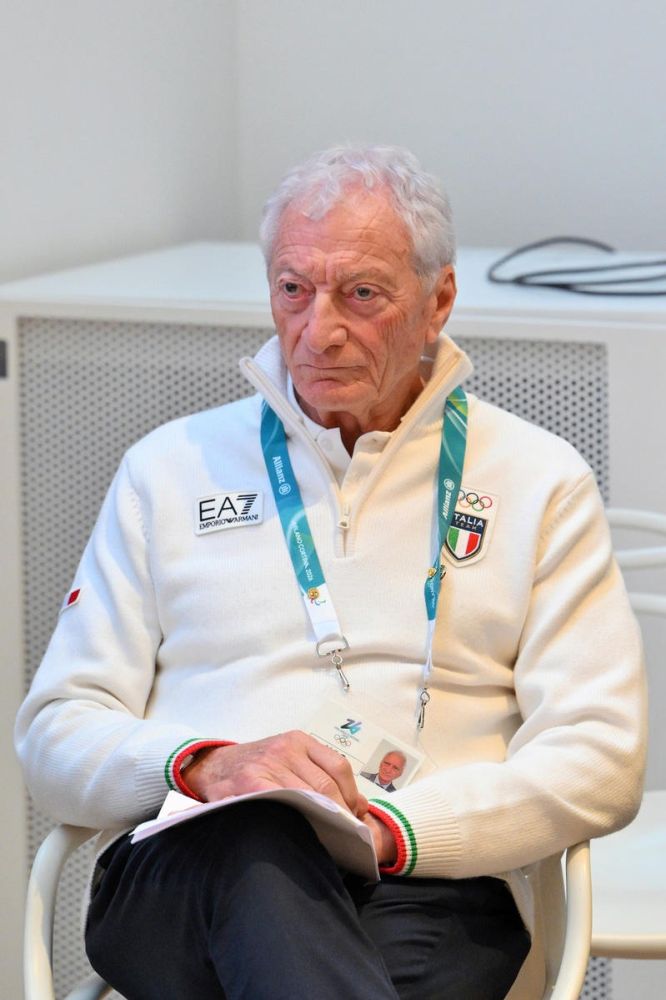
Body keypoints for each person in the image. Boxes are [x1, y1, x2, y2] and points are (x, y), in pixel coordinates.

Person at [15, 145, 646, 1000]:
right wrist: (206, 766)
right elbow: (55, 733)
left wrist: (395, 831)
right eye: (292, 289)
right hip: (194, 865)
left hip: (426, 879)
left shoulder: (540, 481)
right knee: (259, 845)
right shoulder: (166, 470)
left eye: (361, 294)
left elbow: (599, 756)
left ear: (438, 301)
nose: (319, 331)